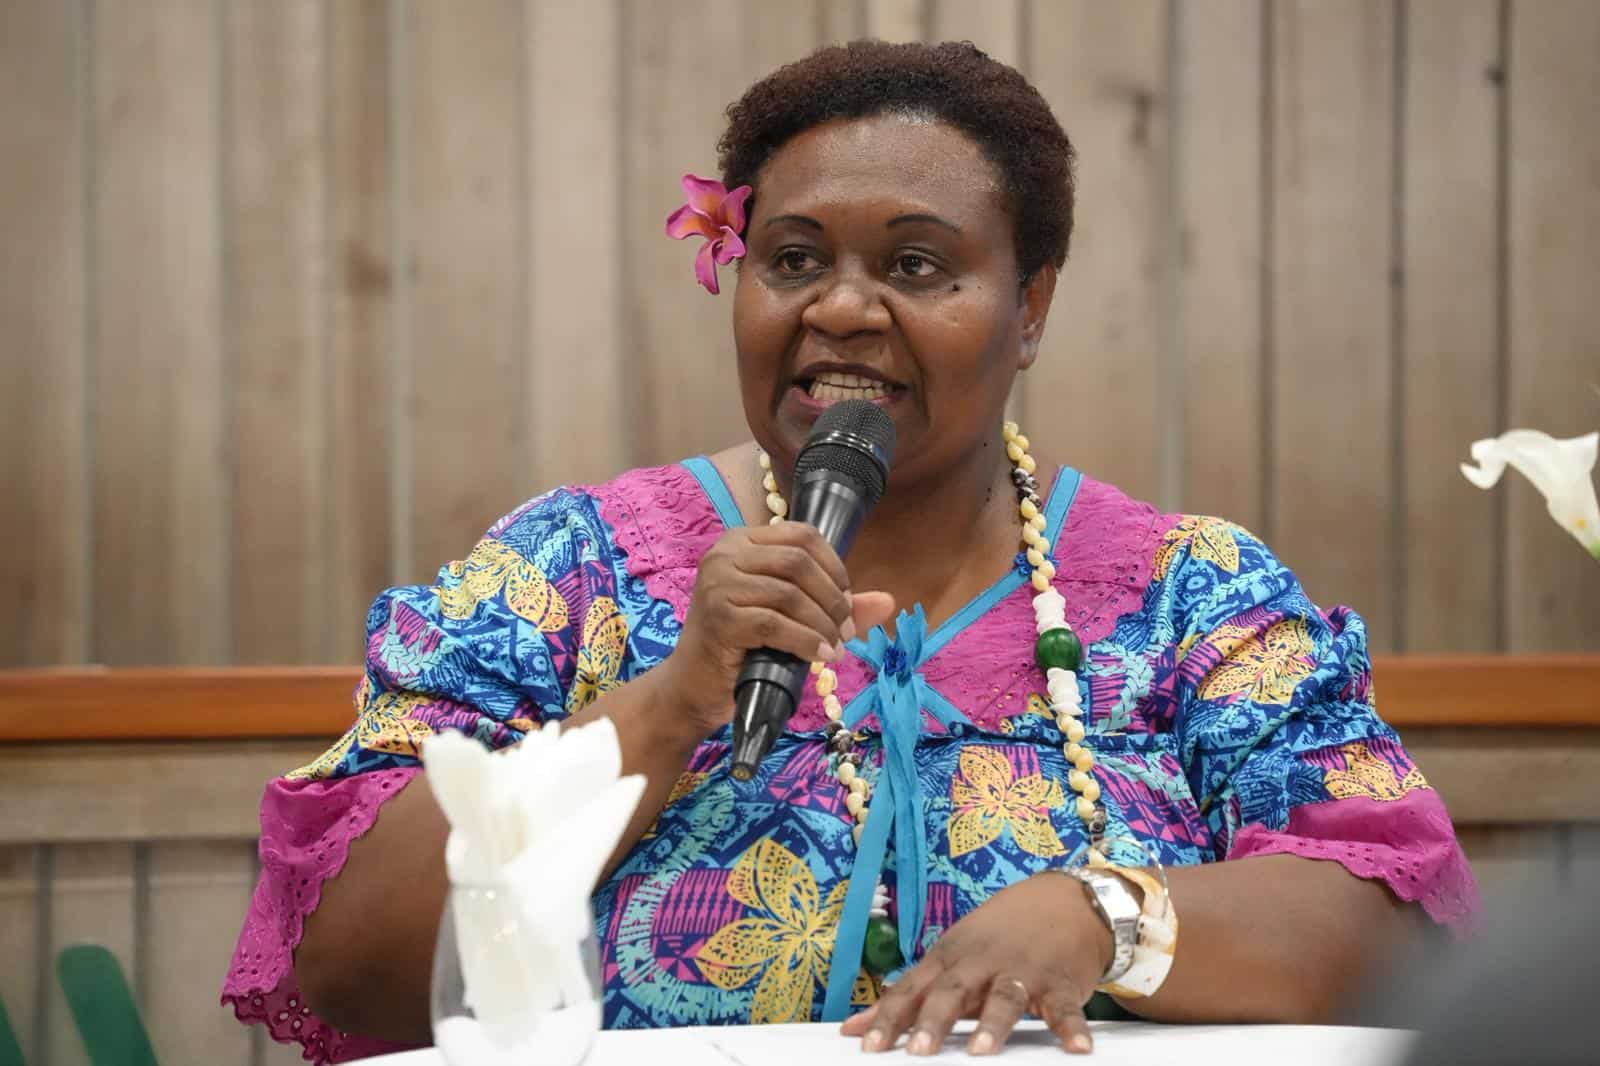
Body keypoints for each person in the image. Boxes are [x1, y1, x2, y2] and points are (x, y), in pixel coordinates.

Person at [221, 40, 1479, 1063]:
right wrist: (671, 700)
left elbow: (1393, 924)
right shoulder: (572, 570)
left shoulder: (1191, 594)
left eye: (916, 265)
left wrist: (1106, 913)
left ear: (1029, 307)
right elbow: (349, 953)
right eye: (793, 260)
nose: (838, 307)